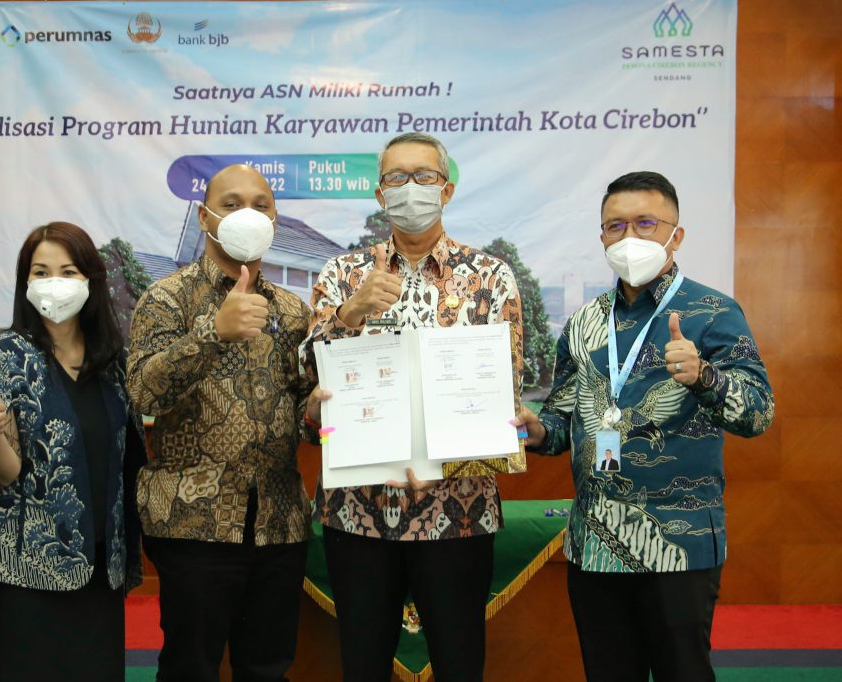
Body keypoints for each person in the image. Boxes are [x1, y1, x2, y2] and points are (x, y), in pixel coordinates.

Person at [516, 171, 774, 681]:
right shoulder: (584, 322)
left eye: (645, 223)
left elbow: (758, 413)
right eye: (615, 226)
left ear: (676, 235)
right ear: (602, 237)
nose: (629, 236)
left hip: (678, 546)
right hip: (595, 544)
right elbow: (561, 421)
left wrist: (704, 376)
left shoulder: (713, 312)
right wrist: (536, 431)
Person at [299, 132, 523, 682]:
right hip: (359, 510)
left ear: (446, 189)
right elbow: (308, 372)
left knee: (460, 664)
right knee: (363, 664)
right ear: (381, 194)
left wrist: (442, 461)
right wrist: (349, 314)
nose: (411, 188)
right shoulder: (342, 274)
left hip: (458, 511)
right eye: (397, 178)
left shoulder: (490, 276)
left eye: (424, 176)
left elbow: (505, 387)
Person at [126, 164, 326, 682]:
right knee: (190, 668)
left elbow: (305, 420)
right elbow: (144, 394)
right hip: (193, 522)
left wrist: (317, 412)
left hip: (278, 524)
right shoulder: (166, 299)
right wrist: (213, 333)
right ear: (204, 216)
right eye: (232, 204)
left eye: (261, 205)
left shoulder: (292, 310)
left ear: (275, 219)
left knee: (267, 668)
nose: (247, 215)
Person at [0, 221, 147, 681]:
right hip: (26, 571)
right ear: (26, 283)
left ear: (90, 280)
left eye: (68, 271)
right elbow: (3, 473)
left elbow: (127, 460)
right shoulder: (3, 354)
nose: (54, 282)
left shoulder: (113, 362)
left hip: (100, 570)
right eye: (41, 272)